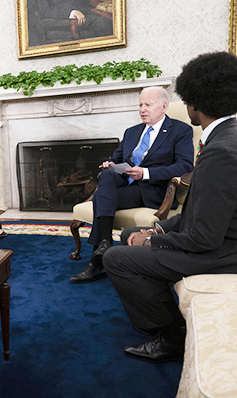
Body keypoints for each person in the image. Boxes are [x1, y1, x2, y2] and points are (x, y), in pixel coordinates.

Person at [103, 51, 237, 363]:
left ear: (193, 102)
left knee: (116, 258)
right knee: (129, 233)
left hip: (224, 252)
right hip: (220, 236)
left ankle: (172, 338)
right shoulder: (226, 137)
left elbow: (205, 237)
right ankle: (161, 301)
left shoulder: (220, 151)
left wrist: (154, 241)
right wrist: (158, 229)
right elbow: (202, 212)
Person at [69, 87, 194, 284]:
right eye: (140, 105)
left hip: (152, 189)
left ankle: (97, 261)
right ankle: (105, 243)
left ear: (164, 107)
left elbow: (185, 166)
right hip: (125, 184)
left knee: (101, 196)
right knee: (107, 176)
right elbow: (118, 158)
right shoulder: (132, 131)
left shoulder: (180, 130)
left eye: (148, 105)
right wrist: (110, 163)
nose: (142, 109)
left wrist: (146, 173)